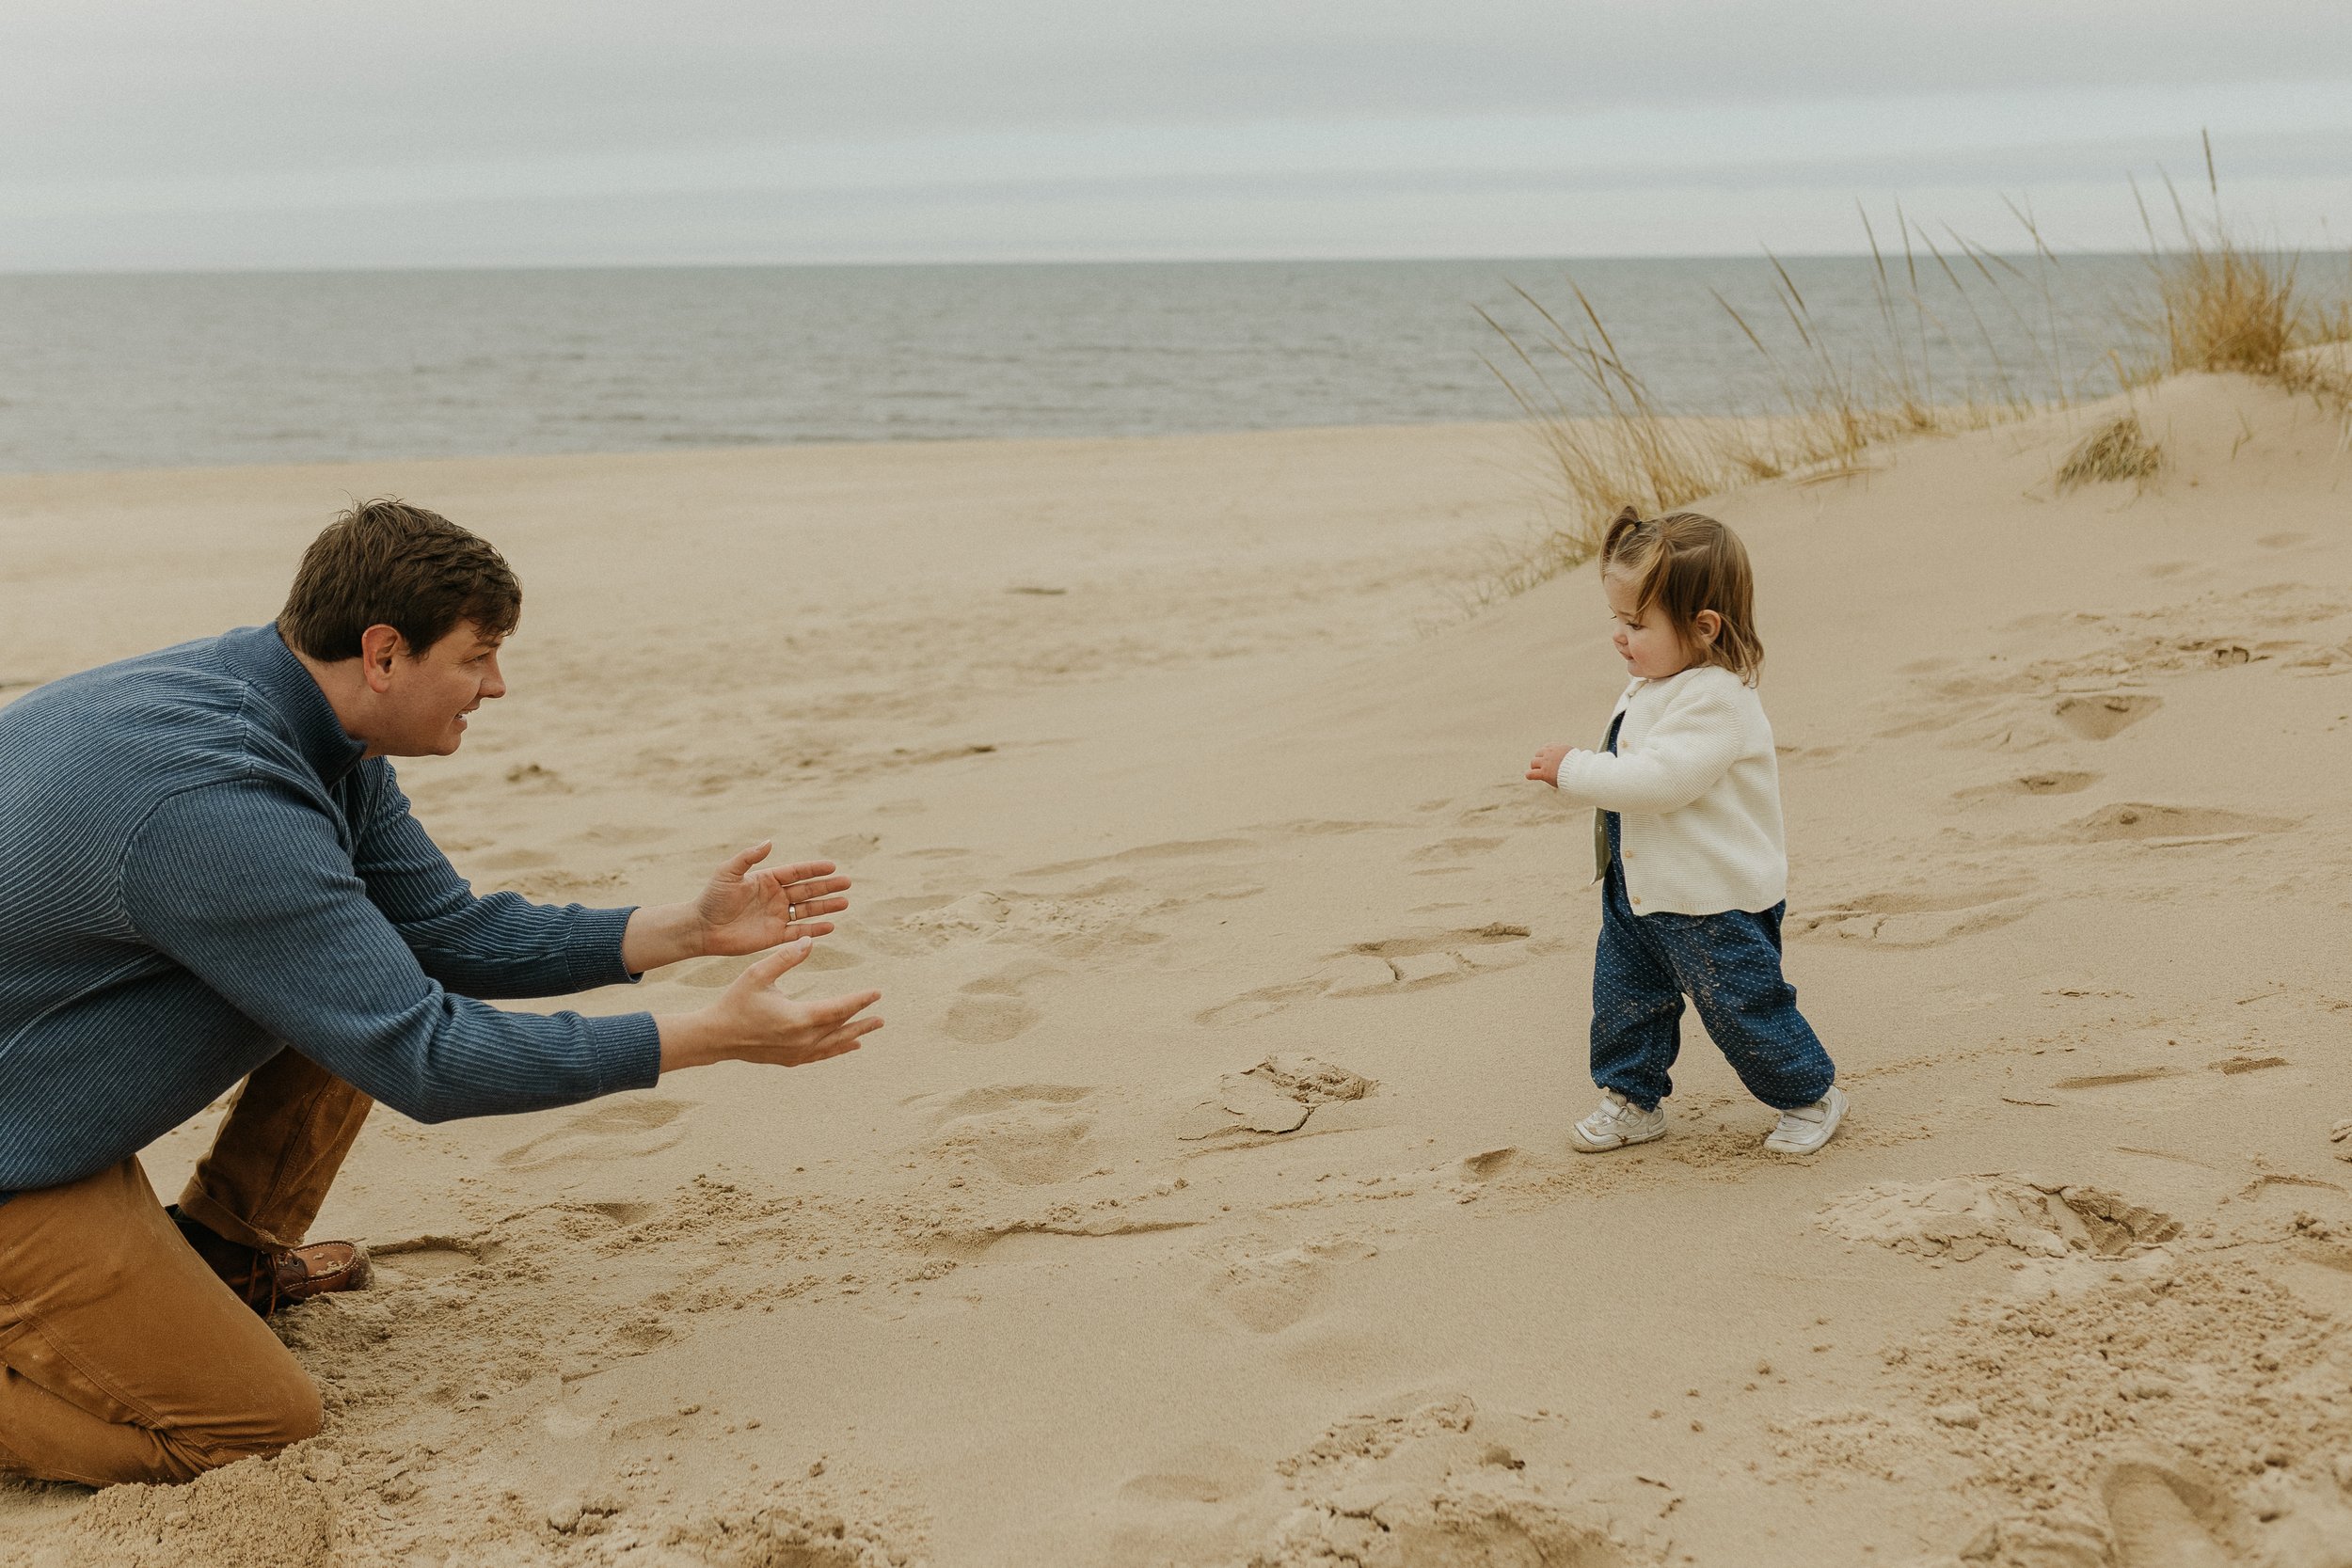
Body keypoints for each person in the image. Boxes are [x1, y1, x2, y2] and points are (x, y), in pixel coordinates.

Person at [0, 499, 883, 1487]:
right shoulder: (219, 803)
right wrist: (706, 1036)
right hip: (17, 1166)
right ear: (384, 652)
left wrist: (687, 929)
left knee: (360, 963)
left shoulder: (298, 718)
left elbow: (445, 932)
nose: (495, 685)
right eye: (478, 655)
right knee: (254, 1425)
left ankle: (222, 1258)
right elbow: (426, 1058)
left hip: (39, 1071)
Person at [1525, 506, 1846, 1158]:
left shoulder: (1718, 699)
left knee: (1742, 1008)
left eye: (1636, 623)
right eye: (1616, 619)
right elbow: (1631, 774)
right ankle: (1632, 1098)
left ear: (1703, 627)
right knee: (1625, 1001)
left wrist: (1576, 770)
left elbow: (1662, 780)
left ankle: (1808, 1093)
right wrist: (1580, 784)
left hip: (1713, 899)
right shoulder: (1652, 683)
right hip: (1640, 890)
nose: (1620, 637)